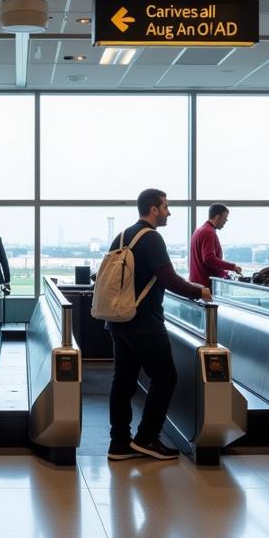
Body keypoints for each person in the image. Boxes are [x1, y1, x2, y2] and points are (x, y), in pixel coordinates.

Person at [107, 188, 211, 461]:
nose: (168, 212)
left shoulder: (122, 236)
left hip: (118, 320)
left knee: (124, 381)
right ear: (153, 209)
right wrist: (198, 291)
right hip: (144, 322)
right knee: (165, 377)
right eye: (165, 207)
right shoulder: (152, 238)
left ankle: (119, 443)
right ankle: (146, 438)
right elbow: (168, 278)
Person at [190, 203, 242, 290]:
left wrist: (224, 272)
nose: (225, 222)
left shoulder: (199, 230)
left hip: (196, 283)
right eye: (225, 219)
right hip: (205, 286)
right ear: (218, 217)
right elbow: (208, 258)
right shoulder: (208, 232)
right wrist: (233, 267)